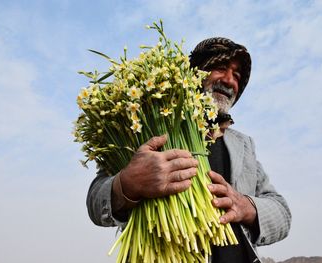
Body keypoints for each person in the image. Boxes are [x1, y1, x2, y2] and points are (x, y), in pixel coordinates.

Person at [86, 37, 292, 262]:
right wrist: (127, 184)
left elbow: (282, 212)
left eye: (237, 77)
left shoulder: (244, 146)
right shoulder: (149, 126)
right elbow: (96, 202)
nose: (229, 80)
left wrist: (246, 206)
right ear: (195, 73)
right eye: (220, 68)